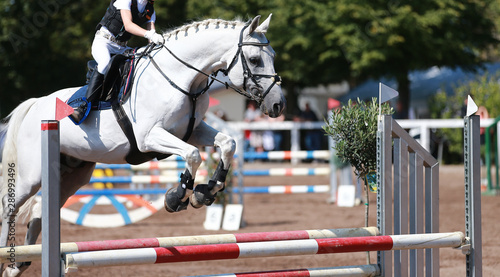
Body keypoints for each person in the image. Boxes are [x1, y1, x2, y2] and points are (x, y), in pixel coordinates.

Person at [70, 0, 164, 123]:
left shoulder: (150, 10)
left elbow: (152, 35)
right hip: (104, 41)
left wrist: (157, 44)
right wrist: (150, 35)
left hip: (122, 47)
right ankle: (82, 108)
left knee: (142, 61)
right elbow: (128, 26)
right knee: (104, 63)